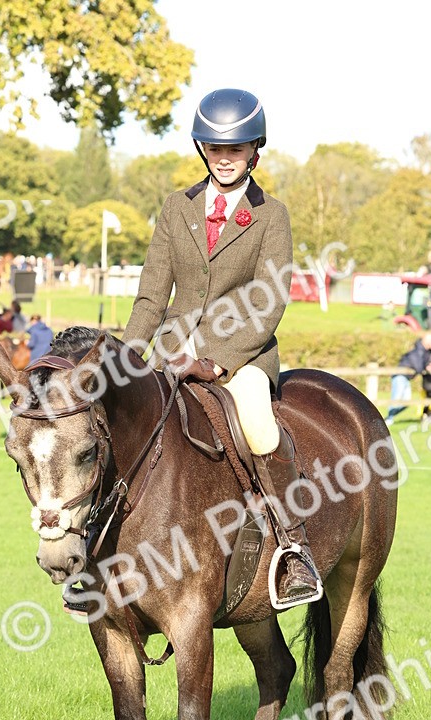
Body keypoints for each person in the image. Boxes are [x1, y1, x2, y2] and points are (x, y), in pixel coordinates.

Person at [122, 88, 320, 607]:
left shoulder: (271, 215)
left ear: (255, 151)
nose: (225, 159)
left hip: (242, 357)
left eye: (236, 150)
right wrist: (124, 359)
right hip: (170, 353)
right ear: (201, 149)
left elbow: (270, 300)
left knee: (258, 425)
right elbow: (151, 293)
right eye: (215, 148)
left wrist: (217, 361)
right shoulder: (175, 208)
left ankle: (293, 551)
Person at [386, 332, 431, 423]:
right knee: (396, 400)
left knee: (406, 402)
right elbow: (418, 366)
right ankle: (388, 420)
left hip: (406, 378)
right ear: (427, 341)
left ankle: (388, 418)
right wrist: (426, 367)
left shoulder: (424, 351)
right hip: (400, 377)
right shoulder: (418, 351)